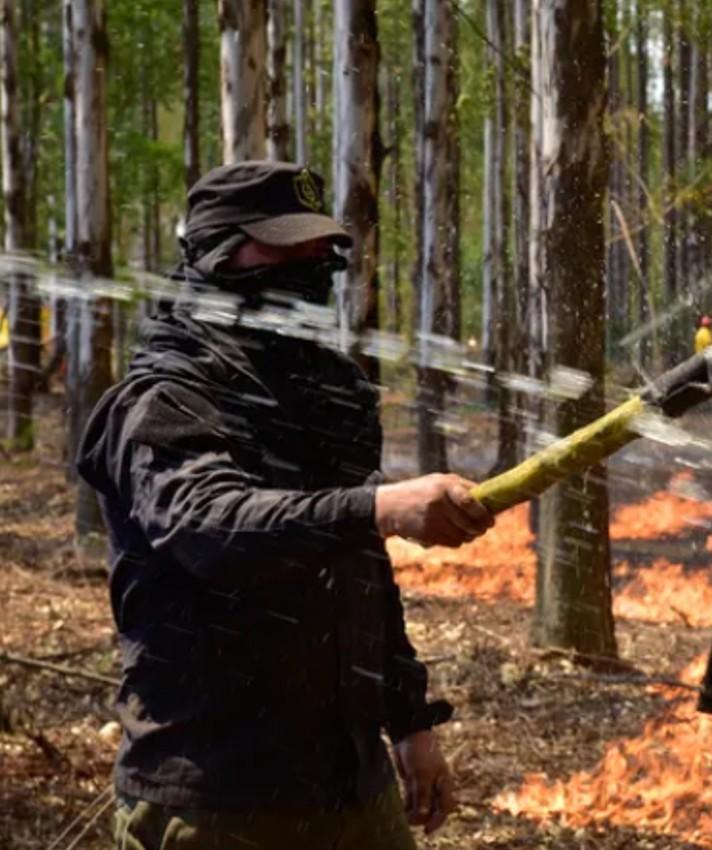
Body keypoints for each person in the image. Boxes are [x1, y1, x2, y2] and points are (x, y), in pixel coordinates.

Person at [76, 161, 495, 849]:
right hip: (220, 797)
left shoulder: (319, 393)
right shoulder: (162, 400)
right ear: (217, 253)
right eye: (283, 245)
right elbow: (213, 527)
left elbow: (358, 567)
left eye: (317, 247)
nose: (309, 262)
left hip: (349, 788)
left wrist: (409, 721)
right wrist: (379, 507)